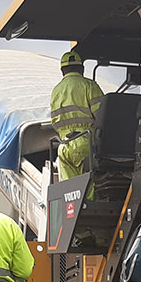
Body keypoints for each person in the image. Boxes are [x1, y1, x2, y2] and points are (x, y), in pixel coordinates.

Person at [50, 50, 104, 189]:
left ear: (62, 70)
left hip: (63, 146)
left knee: (71, 191)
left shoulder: (56, 91)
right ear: (82, 68)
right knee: (90, 187)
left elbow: (55, 122)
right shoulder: (90, 86)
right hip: (85, 144)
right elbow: (103, 117)